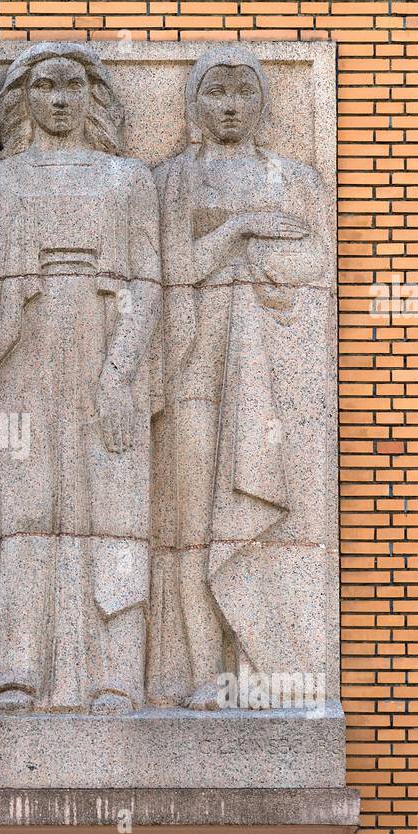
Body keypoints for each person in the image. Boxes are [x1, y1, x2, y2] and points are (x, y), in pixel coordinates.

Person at [0, 42, 161, 715]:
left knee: (114, 512)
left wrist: (119, 373)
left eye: (72, 85)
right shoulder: (9, 179)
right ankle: (16, 670)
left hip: (107, 344)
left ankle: (115, 676)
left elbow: (149, 285)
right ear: (23, 97)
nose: (58, 98)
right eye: (44, 84)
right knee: (25, 510)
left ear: (92, 97)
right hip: (29, 347)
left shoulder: (129, 179)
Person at [149, 45, 336, 708]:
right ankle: (202, 672)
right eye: (215, 92)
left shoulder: (295, 180)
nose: (229, 105)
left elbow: (313, 261)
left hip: (272, 371)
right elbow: (171, 267)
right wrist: (246, 231)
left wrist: (241, 249)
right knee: (192, 520)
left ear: (262, 102)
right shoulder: (172, 180)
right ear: (194, 102)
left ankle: (267, 666)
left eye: (242, 92)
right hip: (192, 365)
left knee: (261, 511)